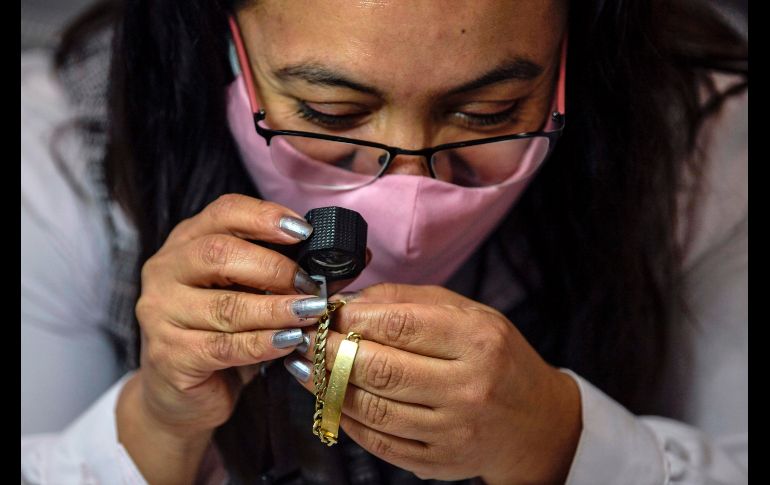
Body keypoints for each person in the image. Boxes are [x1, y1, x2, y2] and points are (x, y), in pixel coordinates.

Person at [21, 0, 747, 483]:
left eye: (489, 111)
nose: (407, 203)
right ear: (222, 46)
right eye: (330, 112)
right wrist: (154, 421)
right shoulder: (55, 157)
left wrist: (561, 441)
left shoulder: (701, 146)